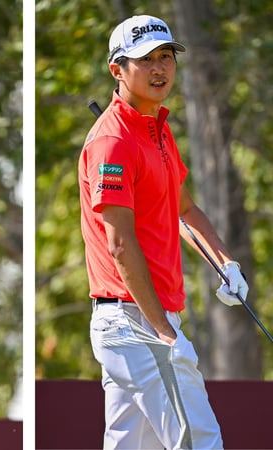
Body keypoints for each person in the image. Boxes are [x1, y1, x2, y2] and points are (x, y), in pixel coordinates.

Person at [78, 15, 248, 450]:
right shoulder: (112, 141)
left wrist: (225, 263)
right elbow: (119, 243)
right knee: (198, 442)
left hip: (144, 319)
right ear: (117, 69)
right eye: (145, 60)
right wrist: (165, 332)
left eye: (166, 57)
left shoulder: (157, 129)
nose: (159, 68)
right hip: (136, 320)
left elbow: (183, 209)